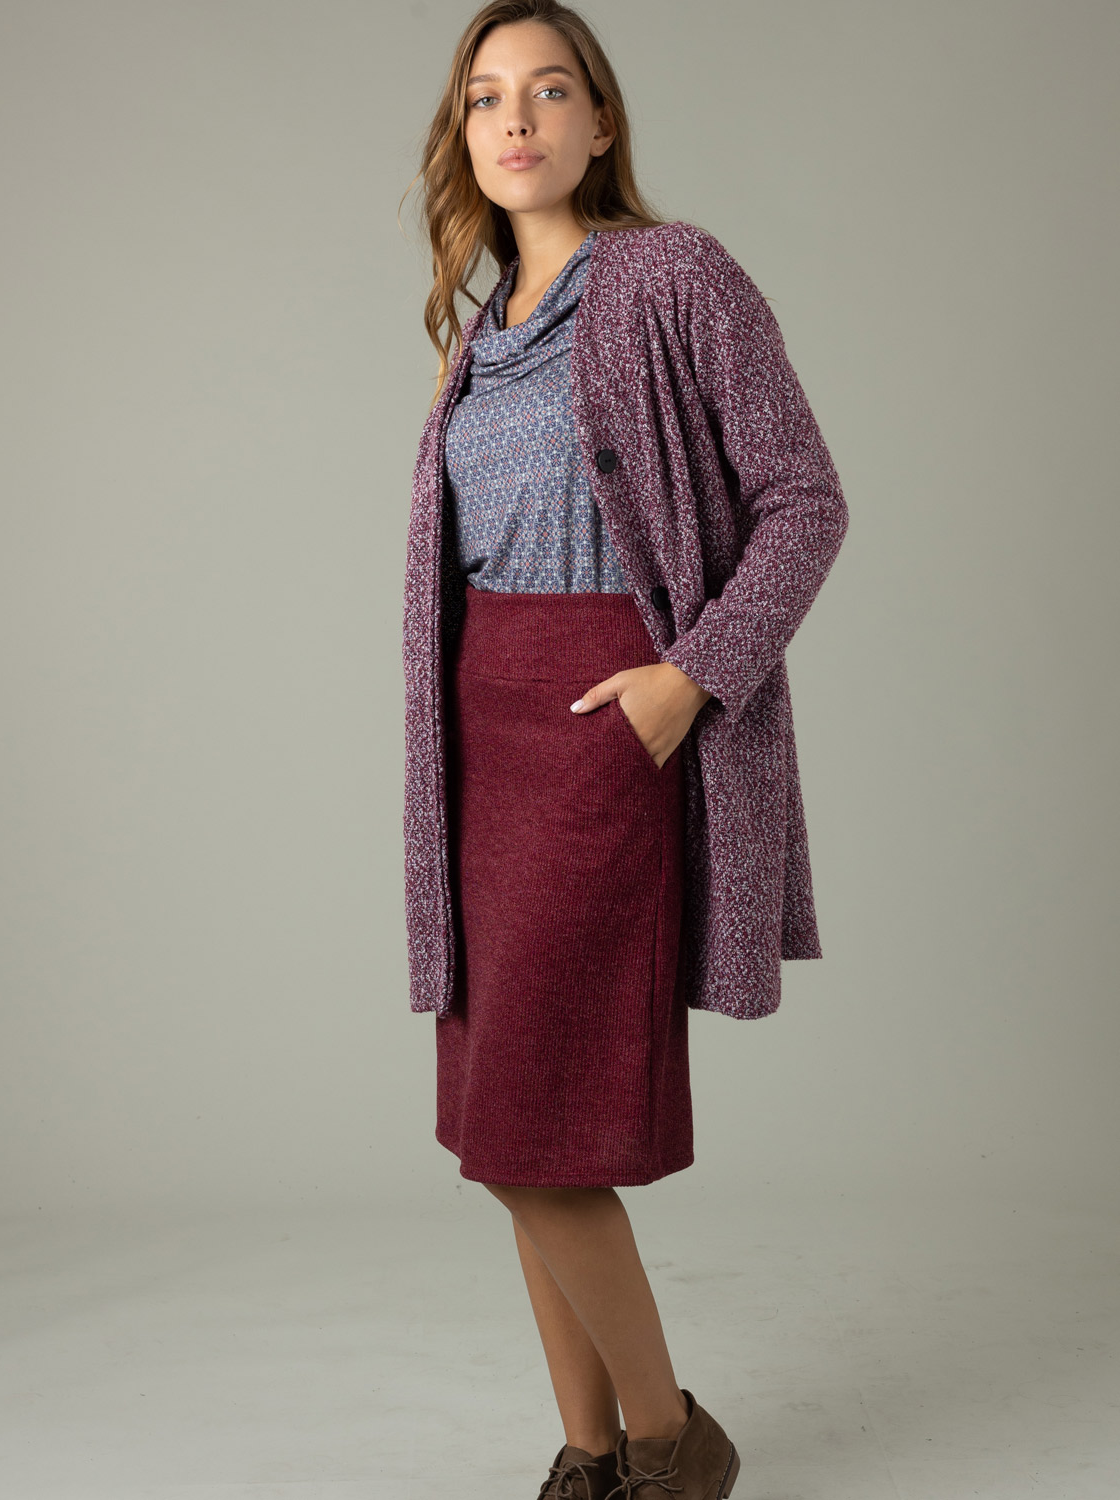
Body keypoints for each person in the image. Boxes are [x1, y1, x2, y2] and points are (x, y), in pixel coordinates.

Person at [399, 3, 848, 1496]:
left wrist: (690, 680)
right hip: (484, 743)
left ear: (600, 123)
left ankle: (670, 1442)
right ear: (464, 137)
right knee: (512, 1124)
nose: (516, 120)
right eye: (486, 99)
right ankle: (588, 1458)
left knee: (528, 1126)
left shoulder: (672, 275)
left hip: (608, 730)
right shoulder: (480, 332)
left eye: (549, 91)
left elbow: (805, 499)